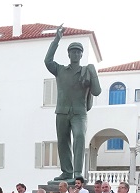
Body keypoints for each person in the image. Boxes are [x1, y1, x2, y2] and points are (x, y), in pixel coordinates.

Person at [44, 26, 101, 180]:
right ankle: (67, 171)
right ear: (68, 54)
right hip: (62, 111)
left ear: (81, 54)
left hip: (79, 112)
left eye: (78, 52)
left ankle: (77, 172)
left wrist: (93, 73)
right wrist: (57, 39)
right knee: (63, 142)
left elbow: (97, 91)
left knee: (79, 136)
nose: (75, 54)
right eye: (73, 52)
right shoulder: (60, 70)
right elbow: (47, 61)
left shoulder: (86, 71)